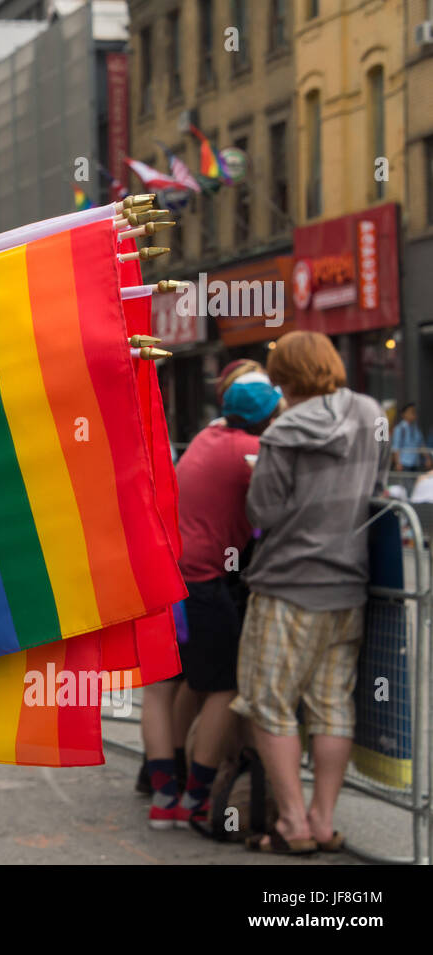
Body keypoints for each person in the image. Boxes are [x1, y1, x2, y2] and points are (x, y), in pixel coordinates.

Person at [230, 331, 387, 855]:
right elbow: (378, 486)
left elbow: (263, 513)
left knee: (269, 705)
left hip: (289, 587)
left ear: (285, 378)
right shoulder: (369, 413)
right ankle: (323, 820)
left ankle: (292, 825)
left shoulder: (283, 431)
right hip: (349, 585)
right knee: (332, 708)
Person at [163, 378, 282, 829]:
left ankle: (171, 786)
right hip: (205, 580)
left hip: (178, 575)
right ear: (265, 418)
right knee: (224, 688)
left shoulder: (209, 437)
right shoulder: (248, 450)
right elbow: (278, 503)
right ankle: (198, 796)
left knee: (194, 682)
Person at [391, 403, 428, 472]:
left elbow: (421, 445)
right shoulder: (400, 429)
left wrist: (427, 458)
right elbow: (396, 447)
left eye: (414, 412)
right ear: (404, 414)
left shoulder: (416, 428)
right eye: (411, 412)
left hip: (416, 463)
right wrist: (398, 463)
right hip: (404, 463)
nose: (413, 414)